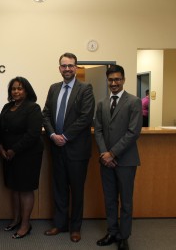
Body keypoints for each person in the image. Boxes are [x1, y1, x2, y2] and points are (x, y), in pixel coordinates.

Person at [42, 52, 95, 243]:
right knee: (59, 188)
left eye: (70, 65)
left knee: (77, 190)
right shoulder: (54, 88)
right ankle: (60, 224)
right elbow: (46, 113)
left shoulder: (85, 88)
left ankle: (75, 228)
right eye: (64, 66)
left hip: (77, 150)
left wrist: (65, 136)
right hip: (56, 148)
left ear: (76, 67)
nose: (67, 69)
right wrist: (52, 134)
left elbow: (86, 117)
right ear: (59, 68)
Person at [95, 65, 142, 250]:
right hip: (105, 161)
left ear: (123, 79)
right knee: (110, 199)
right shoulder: (102, 103)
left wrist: (112, 153)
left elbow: (133, 132)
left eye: (117, 79)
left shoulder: (134, 101)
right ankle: (112, 232)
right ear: (107, 81)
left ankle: (124, 236)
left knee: (126, 201)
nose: (114, 83)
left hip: (126, 161)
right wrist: (104, 153)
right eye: (111, 80)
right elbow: (97, 130)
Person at [0, 76, 43, 239]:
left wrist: (14, 150)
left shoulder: (33, 108)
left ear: (26, 90)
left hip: (27, 155)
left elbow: (33, 134)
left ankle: (25, 224)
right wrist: (1, 147)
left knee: (25, 189)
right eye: (13, 89)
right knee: (14, 187)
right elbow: (0, 130)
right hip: (8, 154)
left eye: (19, 88)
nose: (16, 91)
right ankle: (16, 219)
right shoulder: (6, 107)